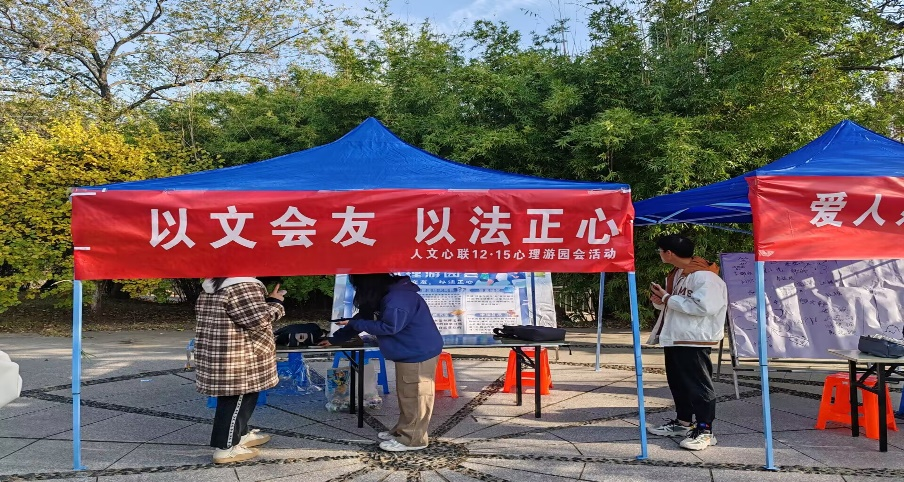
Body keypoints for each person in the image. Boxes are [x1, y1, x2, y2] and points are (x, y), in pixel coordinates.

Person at [320, 273, 443, 452]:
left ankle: (413, 439)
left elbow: (389, 327)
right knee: (407, 395)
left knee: (416, 396)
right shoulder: (384, 294)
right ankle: (402, 431)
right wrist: (335, 339)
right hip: (408, 351)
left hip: (418, 352)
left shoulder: (398, 299)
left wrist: (358, 324)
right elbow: (361, 318)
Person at [646, 234, 727, 451]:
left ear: (669, 253)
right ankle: (683, 423)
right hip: (676, 336)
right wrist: (661, 301)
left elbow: (703, 307)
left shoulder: (705, 277)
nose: (660, 254)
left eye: (660, 251)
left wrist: (667, 298)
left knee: (698, 385)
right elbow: (676, 304)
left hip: (695, 338)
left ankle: (705, 430)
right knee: (679, 383)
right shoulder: (679, 274)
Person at [194, 277, 285, 464]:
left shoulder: (214, 286)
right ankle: (225, 448)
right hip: (241, 355)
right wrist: (275, 303)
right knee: (236, 399)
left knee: (244, 396)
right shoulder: (243, 286)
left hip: (224, 351)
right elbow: (258, 320)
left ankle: (241, 435)